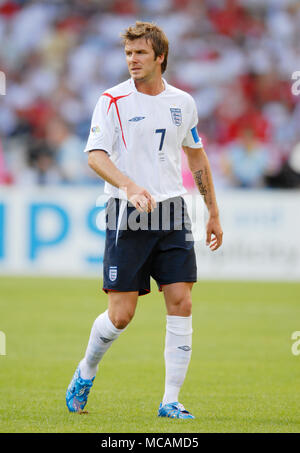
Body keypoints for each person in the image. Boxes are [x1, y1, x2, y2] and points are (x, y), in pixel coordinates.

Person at [66, 21, 223, 419]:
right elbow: (95, 155)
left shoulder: (183, 103)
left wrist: (213, 213)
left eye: (139, 53)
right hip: (128, 213)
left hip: (172, 211)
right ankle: (86, 370)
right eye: (128, 53)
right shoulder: (112, 100)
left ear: (160, 56)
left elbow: (196, 155)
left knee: (182, 300)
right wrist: (131, 185)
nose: (132, 60)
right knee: (121, 315)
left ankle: (170, 399)